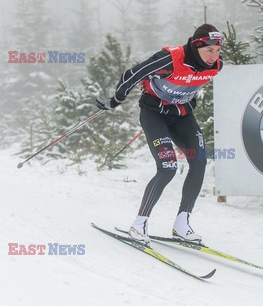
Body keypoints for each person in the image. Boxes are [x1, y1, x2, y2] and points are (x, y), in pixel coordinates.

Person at [96, 24, 224, 245]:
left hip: (182, 116)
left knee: (200, 160)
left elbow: (190, 84)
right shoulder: (170, 59)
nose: (214, 56)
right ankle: (139, 224)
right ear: (196, 46)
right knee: (167, 168)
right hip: (154, 114)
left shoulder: (217, 66)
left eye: (217, 50)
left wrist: (186, 98)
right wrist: (116, 100)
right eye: (209, 51)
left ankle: (182, 224)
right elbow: (132, 74)